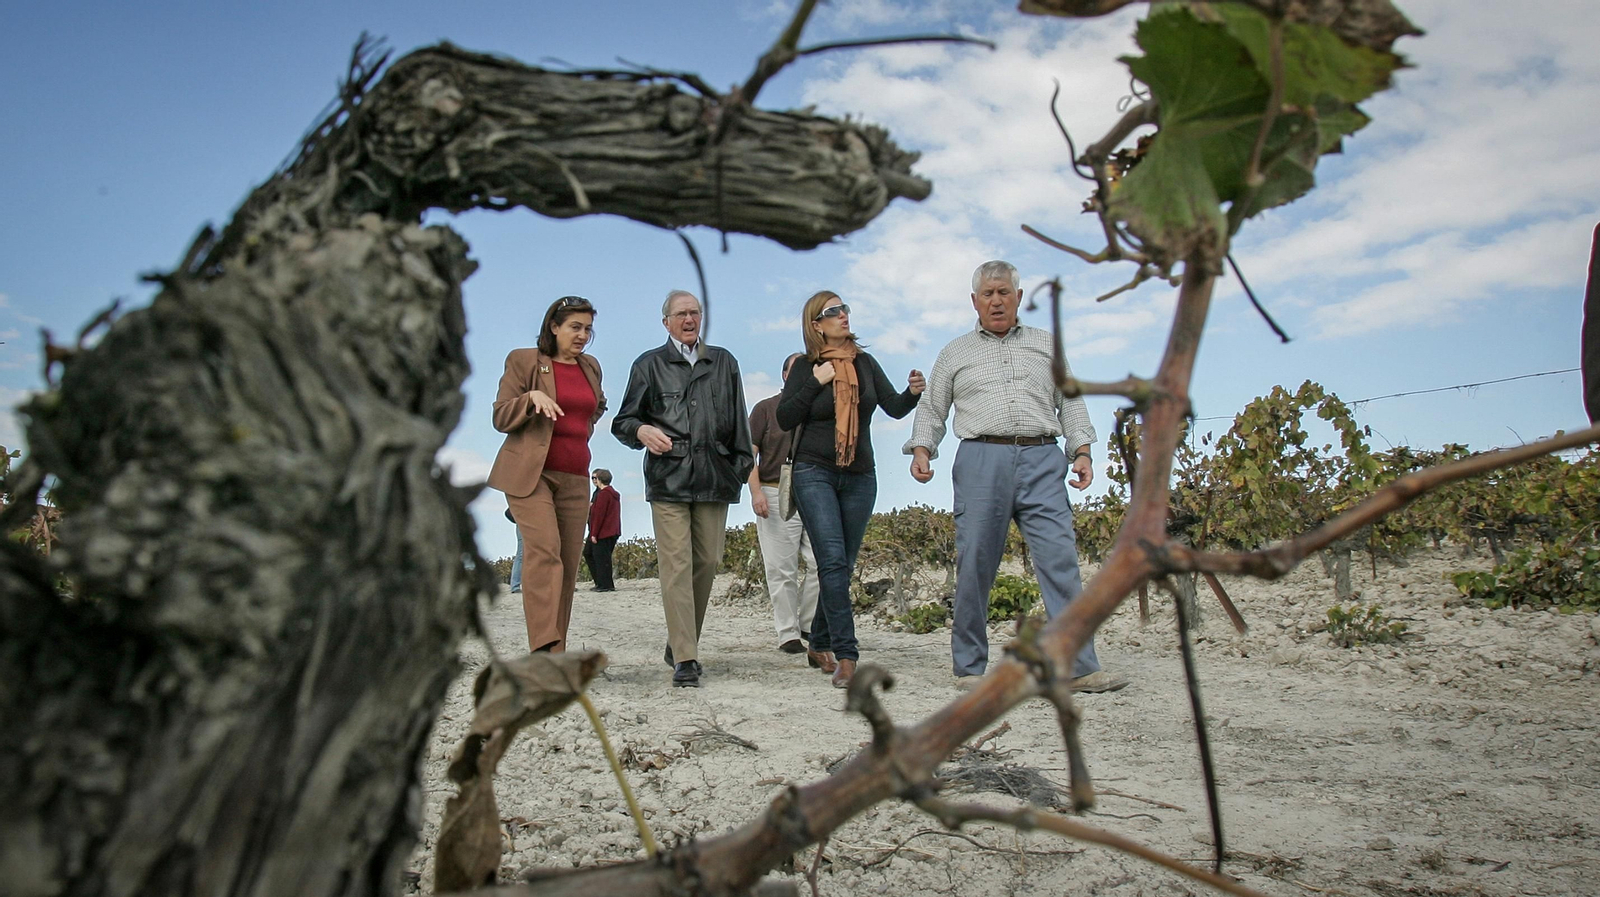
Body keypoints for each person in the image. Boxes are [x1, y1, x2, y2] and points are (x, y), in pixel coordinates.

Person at [905, 260, 1127, 693]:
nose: (996, 300)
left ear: (1019, 297)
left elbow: (1072, 401)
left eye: (1003, 292)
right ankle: (970, 668)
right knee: (975, 563)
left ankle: (1079, 667)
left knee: (1061, 560)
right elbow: (932, 408)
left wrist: (1081, 450)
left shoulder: (1046, 344)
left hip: (1043, 459)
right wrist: (921, 450)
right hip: (981, 459)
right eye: (987, 294)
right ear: (974, 301)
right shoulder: (955, 352)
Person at [777, 291, 924, 689]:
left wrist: (912, 393)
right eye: (833, 312)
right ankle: (847, 655)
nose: (843, 316)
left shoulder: (866, 363)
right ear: (816, 324)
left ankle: (819, 641)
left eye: (845, 310)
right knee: (832, 563)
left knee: (843, 563)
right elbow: (785, 416)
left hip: (860, 475)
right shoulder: (808, 367)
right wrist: (814, 384)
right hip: (814, 471)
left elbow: (892, 406)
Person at [612, 289, 754, 688]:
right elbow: (622, 421)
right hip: (668, 479)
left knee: (707, 561)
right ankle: (686, 658)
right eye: (681, 314)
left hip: (714, 476)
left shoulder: (724, 361)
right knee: (676, 565)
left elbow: (739, 419)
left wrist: (741, 467)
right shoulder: (648, 364)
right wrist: (641, 430)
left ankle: (679, 641)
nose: (689, 319)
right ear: (666, 322)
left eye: (695, 312)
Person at [488, 295, 605, 653]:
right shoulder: (523, 360)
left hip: (575, 475)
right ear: (553, 327)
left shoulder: (591, 366)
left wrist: (580, 432)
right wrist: (530, 401)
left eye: (587, 328)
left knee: (568, 565)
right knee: (545, 551)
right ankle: (542, 649)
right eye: (575, 327)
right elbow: (500, 416)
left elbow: (595, 407)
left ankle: (556, 653)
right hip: (531, 473)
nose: (583, 335)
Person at [748, 353, 820, 657]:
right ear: (784, 375)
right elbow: (748, 455)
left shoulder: (819, 408)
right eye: (797, 370)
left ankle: (808, 624)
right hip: (774, 490)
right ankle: (788, 633)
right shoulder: (765, 409)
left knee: (821, 562)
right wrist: (756, 493)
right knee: (782, 568)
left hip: (815, 491)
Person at [584, 469, 622, 591]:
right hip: (608, 531)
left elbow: (598, 515)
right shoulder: (609, 494)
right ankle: (601, 582)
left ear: (600, 479)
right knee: (590, 553)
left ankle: (606, 585)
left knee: (601, 558)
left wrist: (594, 534)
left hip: (603, 532)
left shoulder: (604, 494)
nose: (594, 480)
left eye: (596, 478)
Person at [506, 509, 523, 593]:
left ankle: (516, 585)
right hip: (523, 522)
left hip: (533, 522)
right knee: (521, 554)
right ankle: (515, 586)